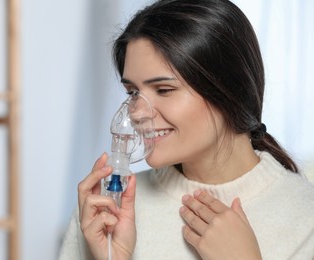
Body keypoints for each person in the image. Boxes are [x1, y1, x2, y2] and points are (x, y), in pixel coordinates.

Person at [59, 0, 314, 259]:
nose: (135, 111)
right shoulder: (104, 213)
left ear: (229, 91)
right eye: (133, 92)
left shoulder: (305, 220)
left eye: (164, 90)